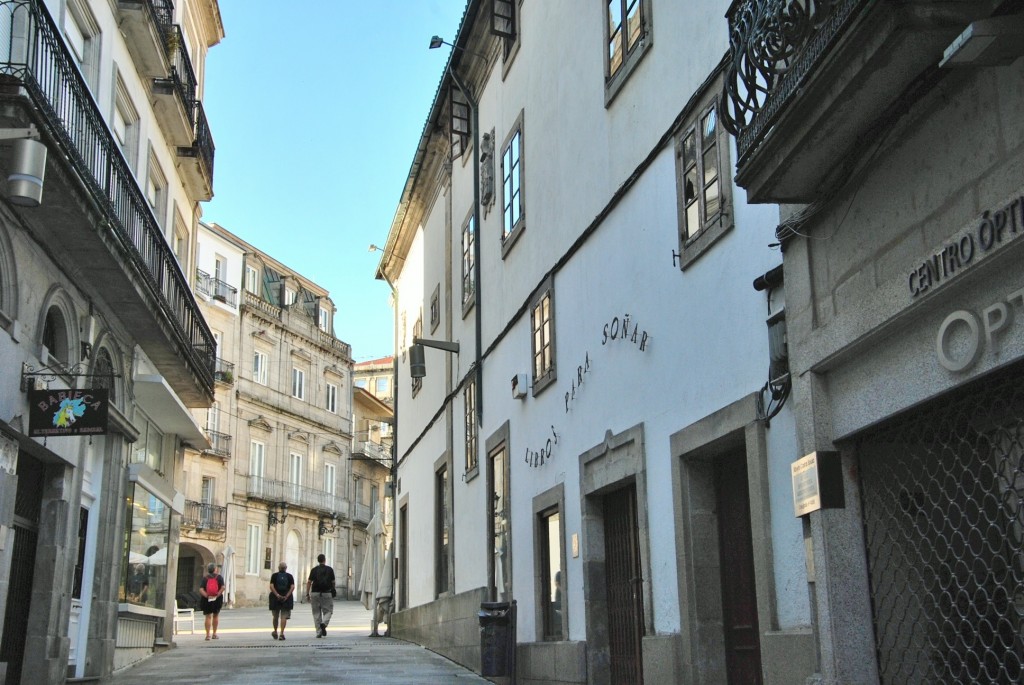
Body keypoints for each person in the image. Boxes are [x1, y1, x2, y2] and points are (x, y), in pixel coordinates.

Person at [305, 553, 335, 638]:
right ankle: (324, 623)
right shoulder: (330, 569)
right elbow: (333, 582)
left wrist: (307, 593)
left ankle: (318, 632)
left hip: (315, 593)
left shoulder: (314, 570)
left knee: (316, 613)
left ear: (318, 560)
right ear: (325, 560)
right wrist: (333, 590)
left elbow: (309, 582)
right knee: (328, 611)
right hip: (327, 593)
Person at [268, 561, 294, 641]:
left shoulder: (274, 576)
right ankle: (282, 633)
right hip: (286, 598)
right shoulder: (290, 576)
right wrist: (286, 596)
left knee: (275, 616)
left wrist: (277, 595)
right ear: (286, 568)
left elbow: (271, 586)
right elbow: (292, 587)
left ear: (278, 568)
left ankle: (275, 631)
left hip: (275, 598)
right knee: (284, 616)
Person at [199, 562, 225, 640]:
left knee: (208, 616)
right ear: (215, 569)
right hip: (217, 599)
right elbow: (223, 587)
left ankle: (207, 635)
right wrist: (217, 595)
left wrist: (207, 595)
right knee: (216, 615)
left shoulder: (205, 578)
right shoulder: (219, 577)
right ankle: (214, 634)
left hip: (207, 599)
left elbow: (201, 589)